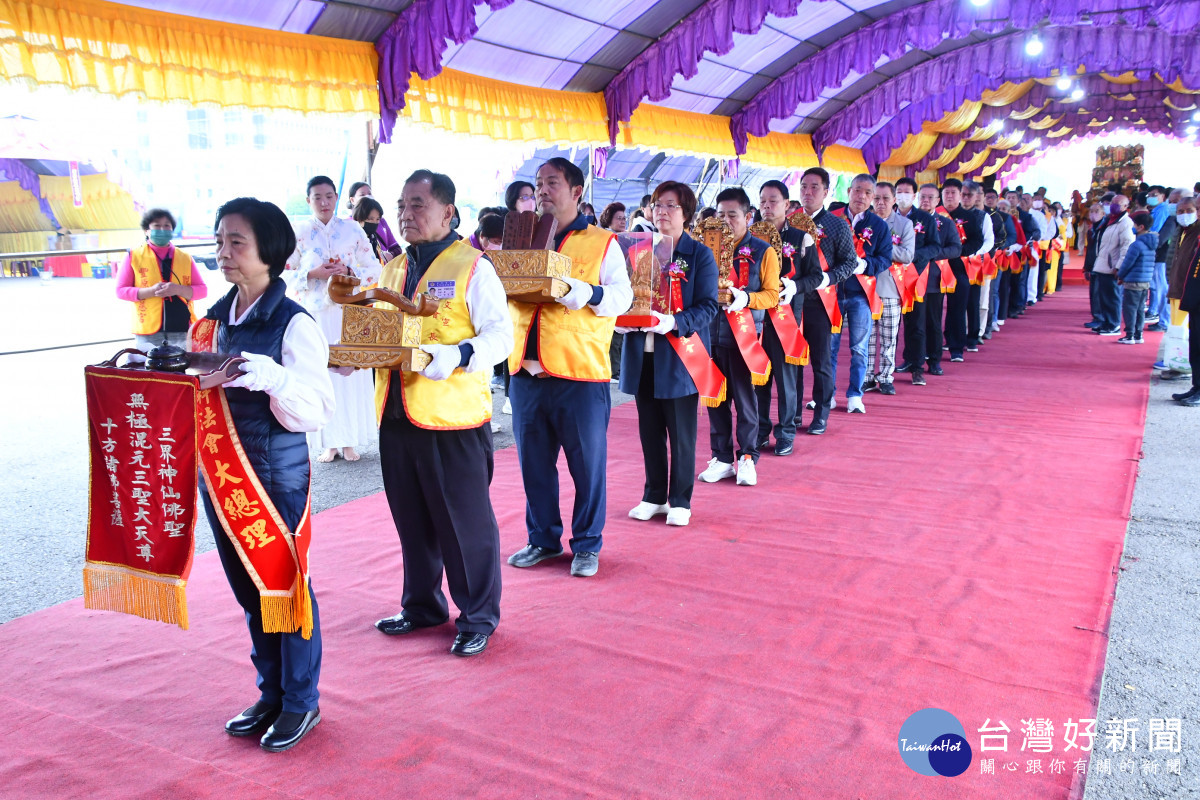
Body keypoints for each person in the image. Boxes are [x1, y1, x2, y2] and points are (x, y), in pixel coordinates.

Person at [194, 197, 333, 753]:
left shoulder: (294, 322)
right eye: (220, 241)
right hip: (223, 477)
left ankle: (301, 700)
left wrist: (275, 379)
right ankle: (271, 691)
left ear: (269, 252)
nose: (224, 253)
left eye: (237, 243)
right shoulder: (210, 322)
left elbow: (315, 411)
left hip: (274, 475)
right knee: (249, 591)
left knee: (284, 586)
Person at [371, 170, 511, 657]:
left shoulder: (474, 266)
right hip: (395, 412)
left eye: (417, 205)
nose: (406, 215)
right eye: (401, 206)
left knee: (463, 522)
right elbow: (379, 333)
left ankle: (477, 615)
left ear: (448, 211)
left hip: (452, 417)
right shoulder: (392, 267)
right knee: (412, 519)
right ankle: (422, 605)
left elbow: (501, 337)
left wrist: (455, 356)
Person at [506, 158, 632, 578]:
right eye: (538, 184)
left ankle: (587, 545)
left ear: (576, 191)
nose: (542, 191)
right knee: (533, 466)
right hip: (526, 372)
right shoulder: (521, 237)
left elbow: (622, 298)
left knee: (587, 467)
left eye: (552, 183)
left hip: (579, 374)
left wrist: (583, 291)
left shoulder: (601, 241)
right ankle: (542, 538)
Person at [618, 181, 718, 526]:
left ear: (686, 214)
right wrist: (620, 320)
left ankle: (680, 500)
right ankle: (653, 495)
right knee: (649, 430)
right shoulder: (637, 250)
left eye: (670, 205)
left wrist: (674, 321)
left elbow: (708, 306)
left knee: (681, 432)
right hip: (641, 351)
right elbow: (622, 294)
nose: (661, 211)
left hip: (678, 354)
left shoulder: (698, 254)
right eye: (657, 204)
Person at [286, 175, 382, 463]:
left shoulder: (352, 229)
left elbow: (374, 268)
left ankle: (350, 439)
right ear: (308, 200)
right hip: (314, 313)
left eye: (329, 196)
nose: (324, 202)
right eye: (317, 197)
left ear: (337, 197)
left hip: (349, 310)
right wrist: (312, 274)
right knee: (320, 373)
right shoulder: (299, 232)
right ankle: (327, 441)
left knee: (350, 376)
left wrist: (349, 270)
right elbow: (284, 273)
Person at [697, 187, 780, 483]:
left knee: (745, 400)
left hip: (744, 337)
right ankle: (720, 457)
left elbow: (772, 294)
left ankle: (747, 456)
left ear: (748, 216)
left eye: (732, 214)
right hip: (709, 335)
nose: (725, 220)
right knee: (714, 398)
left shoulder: (763, 251)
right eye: (720, 214)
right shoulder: (706, 248)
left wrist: (745, 299)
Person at [755, 179, 821, 454]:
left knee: (785, 379)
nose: (767, 207)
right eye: (762, 202)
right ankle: (758, 429)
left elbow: (816, 275)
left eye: (773, 201)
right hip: (755, 317)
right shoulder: (751, 237)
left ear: (786, 204)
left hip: (785, 317)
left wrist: (796, 286)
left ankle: (786, 432)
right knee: (757, 378)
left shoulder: (800, 238)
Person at [795, 168, 856, 434]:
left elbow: (849, 263)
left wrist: (827, 279)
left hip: (820, 300)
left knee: (821, 360)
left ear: (826, 191)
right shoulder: (789, 222)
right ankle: (792, 413)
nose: (808, 192)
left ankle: (821, 413)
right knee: (791, 359)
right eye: (804, 187)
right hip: (790, 301)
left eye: (814, 187)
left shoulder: (837, 225)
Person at [828, 175, 892, 411]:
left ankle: (855, 395)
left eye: (867, 193)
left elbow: (885, 259)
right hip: (831, 292)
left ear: (873, 197)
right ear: (849, 191)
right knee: (829, 347)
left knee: (858, 348)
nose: (861, 197)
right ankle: (827, 395)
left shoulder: (879, 226)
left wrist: (865, 265)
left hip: (860, 294)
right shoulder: (831, 218)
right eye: (857, 191)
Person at [116, 208, 208, 352]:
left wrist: (178, 289)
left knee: (180, 370)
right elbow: (120, 291)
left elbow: (202, 291)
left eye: (167, 226)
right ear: (147, 230)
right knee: (149, 370)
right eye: (157, 226)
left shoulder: (185, 257)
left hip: (182, 327)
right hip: (148, 329)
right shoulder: (133, 256)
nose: (162, 229)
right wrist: (150, 291)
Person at [865, 181, 913, 395]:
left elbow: (907, 255)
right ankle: (866, 377)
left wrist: (882, 246)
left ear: (894, 200)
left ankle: (885, 377)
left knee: (888, 337)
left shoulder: (904, 225)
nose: (880, 203)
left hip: (891, 289)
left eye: (885, 198)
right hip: (865, 287)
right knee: (866, 338)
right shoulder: (863, 222)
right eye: (877, 198)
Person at [894, 178, 940, 386]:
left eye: (907, 192)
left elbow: (935, 247)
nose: (902, 196)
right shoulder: (886, 217)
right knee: (890, 324)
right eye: (899, 192)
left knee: (917, 323)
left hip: (915, 275)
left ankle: (918, 367)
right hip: (891, 276)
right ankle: (891, 366)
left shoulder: (925, 219)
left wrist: (913, 255)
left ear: (914, 196)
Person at [940, 179, 985, 362]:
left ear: (960, 195)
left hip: (959, 268)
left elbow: (977, 241)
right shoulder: (934, 215)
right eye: (946, 192)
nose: (949, 196)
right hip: (935, 268)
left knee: (958, 308)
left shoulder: (969, 217)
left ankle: (956, 347)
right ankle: (934, 345)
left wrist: (960, 252)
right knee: (932, 310)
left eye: (953, 193)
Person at [1167, 196, 1200, 395]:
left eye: (1193, 209)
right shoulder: (1187, 232)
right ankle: (1197, 386)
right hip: (1191, 294)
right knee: (1195, 343)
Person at [1093, 195, 1135, 336]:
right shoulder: (1109, 220)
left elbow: (1126, 246)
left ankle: (1113, 324)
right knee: (1104, 297)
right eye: (1113, 203)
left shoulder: (1125, 223)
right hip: (1103, 263)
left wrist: (1120, 266)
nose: (1114, 205)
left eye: (1119, 203)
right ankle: (1106, 321)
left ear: (1125, 207)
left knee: (1112, 297)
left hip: (1113, 266)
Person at [1117, 211, 1157, 345]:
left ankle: (1129, 335)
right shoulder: (1152, 244)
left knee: (1130, 309)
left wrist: (1120, 275)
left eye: (1134, 224)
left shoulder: (1136, 245)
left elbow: (1128, 263)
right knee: (1140, 309)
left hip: (1133, 280)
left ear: (1140, 227)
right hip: (1145, 281)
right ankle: (1138, 334)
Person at [348, 182, 402, 260]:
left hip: (383, 268)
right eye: (362, 194)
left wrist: (389, 255)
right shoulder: (348, 225)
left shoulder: (381, 221)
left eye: (369, 193)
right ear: (352, 200)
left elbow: (396, 248)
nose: (367, 196)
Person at [352, 197, 388, 265]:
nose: (374, 222)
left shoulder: (373, 238)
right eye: (370, 219)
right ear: (359, 218)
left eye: (377, 219)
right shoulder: (351, 239)